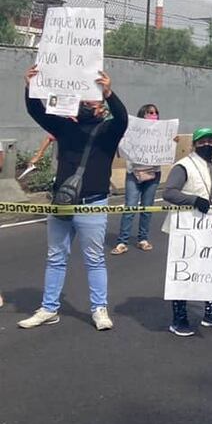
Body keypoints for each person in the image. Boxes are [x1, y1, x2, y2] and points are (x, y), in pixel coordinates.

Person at [18, 65, 128, 332]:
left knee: (94, 258)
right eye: (84, 98)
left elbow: (123, 119)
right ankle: (48, 308)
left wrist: (110, 93)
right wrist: (31, 86)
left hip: (93, 203)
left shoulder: (109, 131)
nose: (88, 102)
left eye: (93, 98)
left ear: (102, 107)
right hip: (62, 202)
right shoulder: (65, 128)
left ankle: (99, 309)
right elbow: (36, 111)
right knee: (55, 256)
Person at [161, 128, 212, 336]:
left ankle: (211, 312)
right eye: (202, 142)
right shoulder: (184, 166)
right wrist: (194, 200)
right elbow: (169, 192)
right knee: (185, 271)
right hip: (191, 226)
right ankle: (179, 316)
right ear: (194, 145)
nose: (208, 145)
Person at [112, 103, 164, 255]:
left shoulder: (162, 132)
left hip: (153, 173)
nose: (152, 115)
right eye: (149, 112)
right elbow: (122, 148)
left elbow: (166, 150)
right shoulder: (132, 131)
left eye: (155, 112)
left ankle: (143, 239)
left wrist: (172, 142)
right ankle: (122, 241)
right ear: (142, 115)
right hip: (134, 173)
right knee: (130, 207)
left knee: (147, 208)